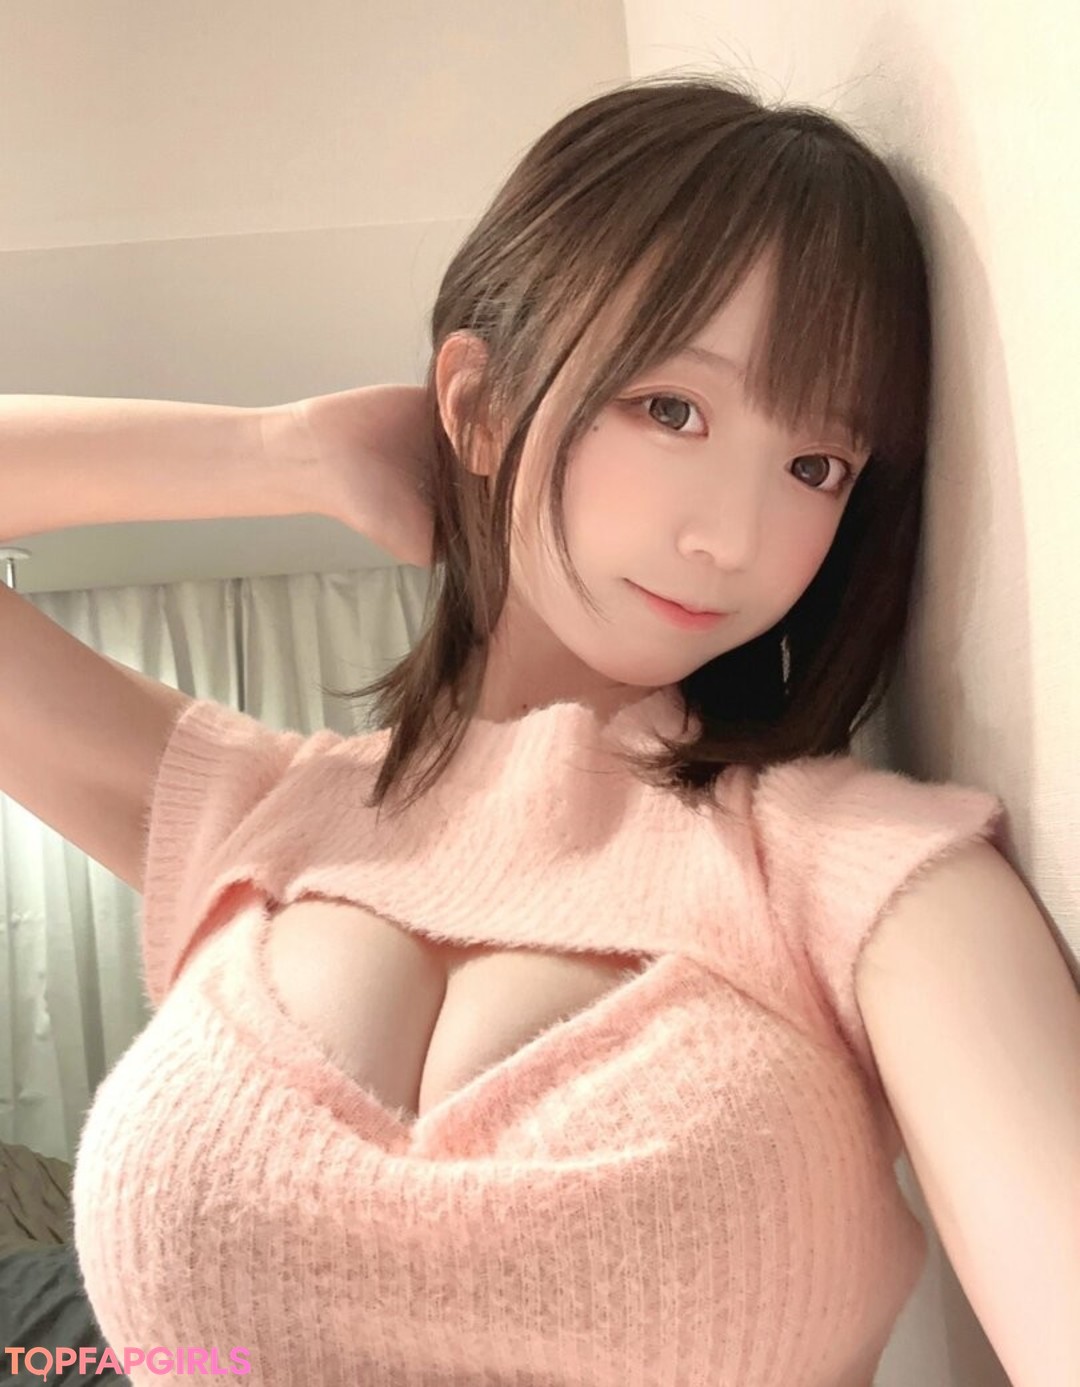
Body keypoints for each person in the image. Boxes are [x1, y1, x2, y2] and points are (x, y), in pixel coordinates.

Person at [1, 74, 1011, 1386]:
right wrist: (283, 450)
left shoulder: (858, 873)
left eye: (815, 466)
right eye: (671, 409)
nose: (733, 535)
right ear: (478, 406)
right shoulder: (248, 816)